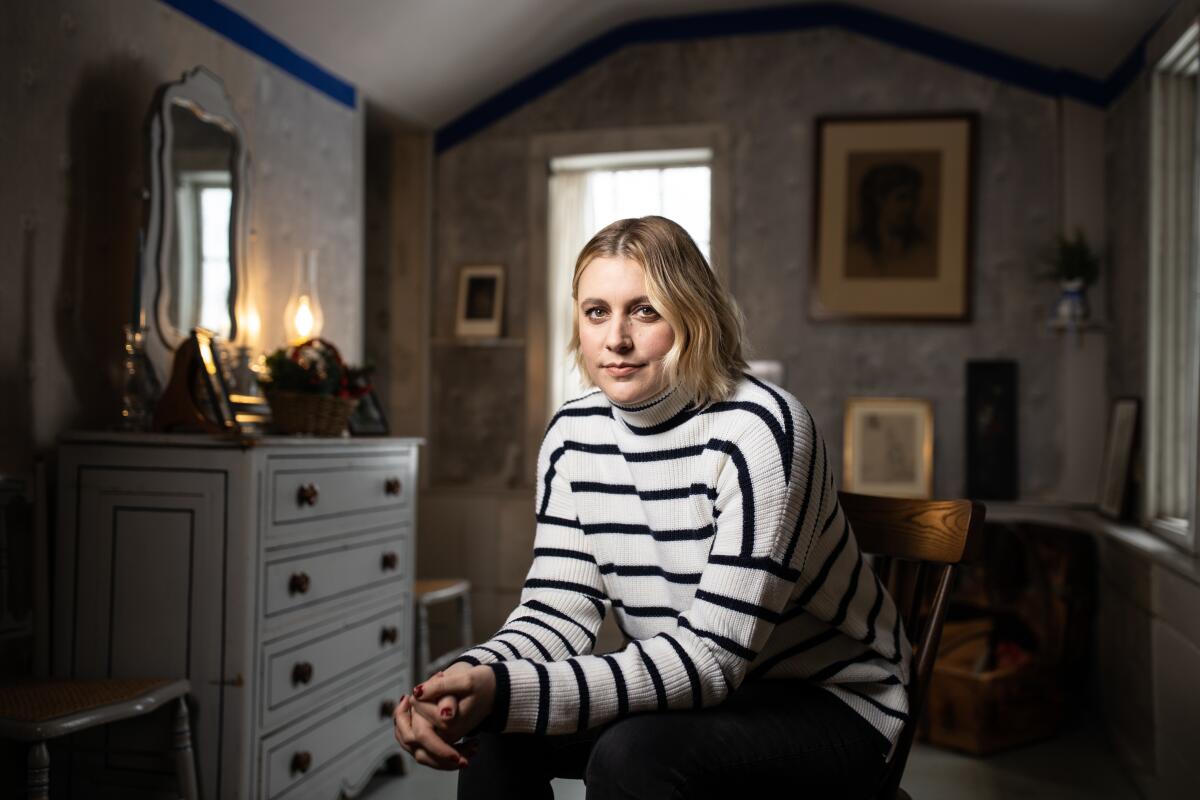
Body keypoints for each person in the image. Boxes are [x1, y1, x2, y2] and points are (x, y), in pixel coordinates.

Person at [393, 216, 911, 799]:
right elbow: (555, 615)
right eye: (596, 312)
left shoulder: (761, 430)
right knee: (499, 729)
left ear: (695, 316)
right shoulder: (573, 435)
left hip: (830, 702)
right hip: (684, 686)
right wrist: (469, 679)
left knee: (630, 757)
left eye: (644, 310)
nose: (615, 338)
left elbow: (713, 658)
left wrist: (507, 690)